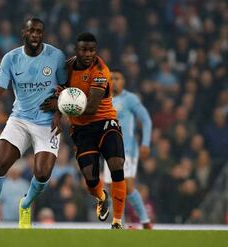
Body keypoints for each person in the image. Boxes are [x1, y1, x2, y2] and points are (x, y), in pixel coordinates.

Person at [0, 17, 67, 229]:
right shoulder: (11, 58)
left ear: (43, 34)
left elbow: (66, 89)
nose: (35, 34)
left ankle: (24, 205)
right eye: (31, 31)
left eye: (39, 31)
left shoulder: (56, 56)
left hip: (46, 123)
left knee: (43, 173)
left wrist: (58, 113)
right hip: (20, 119)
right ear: (23, 33)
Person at [41, 32, 126, 229]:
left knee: (116, 163)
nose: (88, 54)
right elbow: (59, 92)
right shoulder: (67, 67)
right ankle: (101, 197)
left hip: (105, 122)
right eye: (84, 50)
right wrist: (57, 116)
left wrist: (59, 106)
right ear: (76, 50)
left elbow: (92, 107)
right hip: (81, 129)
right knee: (90, 177)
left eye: (92, 50)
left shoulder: (100, 70)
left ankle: (117, 221)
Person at [102, 69, 153, 229]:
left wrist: (145, 143)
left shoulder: (130, 99)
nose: (114, 81)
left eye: (117, 78)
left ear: (123, 81)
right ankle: (120, 223)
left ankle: (145, 221)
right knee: (111, 188)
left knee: (127, 185)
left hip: (127, 149)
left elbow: (146, 120)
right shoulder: (103, 100)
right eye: (111, 78)